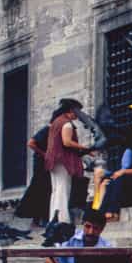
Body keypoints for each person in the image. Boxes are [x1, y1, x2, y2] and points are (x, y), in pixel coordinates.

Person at [44, 98, 88, 233]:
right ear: (71, 110)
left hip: (54, 160)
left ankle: (53, 219)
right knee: (63, 190)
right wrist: (84, 148)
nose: (78, 114)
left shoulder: (56, 122)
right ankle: (62, 221)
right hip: (62, 160)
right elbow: (67, 142)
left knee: (56, 190)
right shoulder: (67, 124)